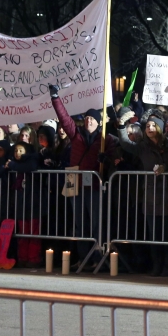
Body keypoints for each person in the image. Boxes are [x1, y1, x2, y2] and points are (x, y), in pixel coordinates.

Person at [47, 83, 116, 268]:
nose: (88, 121)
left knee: (94, 223)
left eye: (92, 119)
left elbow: (115, 159)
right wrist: (55, 98)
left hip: (93, 185)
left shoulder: (105, 139)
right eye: (86, 118)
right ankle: (83, 257)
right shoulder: (76, 135)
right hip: (74, 183)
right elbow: (64, 118)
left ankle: (95, 258)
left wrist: (106, 159)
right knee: (79, 224)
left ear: (99, 122)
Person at [119, 115, 168, 276]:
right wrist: (121, 125)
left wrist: (166, 168)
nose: (149, 128)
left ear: (160, 128)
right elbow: (126, 144)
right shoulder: (142, 147)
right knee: (154, 233)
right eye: (147, 126)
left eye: (152, 125)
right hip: (151, 194)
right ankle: (157, 265)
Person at [0, 141, 44, 267]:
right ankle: (22, 257)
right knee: (22, 232)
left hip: (33, 203)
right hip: (20, 204)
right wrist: (6, 166)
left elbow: (30, 167)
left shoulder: (32, 160)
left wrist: (13, 165)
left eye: (21, 150)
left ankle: (33, 258)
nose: (17, 153)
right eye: (15, 151)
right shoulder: (11, 163)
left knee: (33, 233)